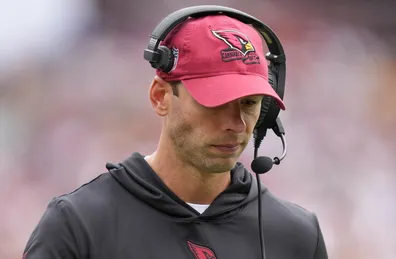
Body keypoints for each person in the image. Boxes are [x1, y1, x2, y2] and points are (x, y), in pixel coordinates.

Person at [23, 8, 328, 259]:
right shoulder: (79, 224)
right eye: (216, 102)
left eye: (249, 104)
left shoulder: (298, 236)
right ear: (160, 97)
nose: (236, 123)